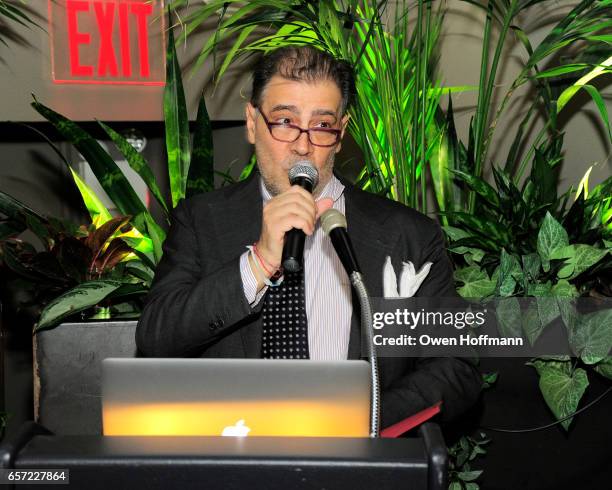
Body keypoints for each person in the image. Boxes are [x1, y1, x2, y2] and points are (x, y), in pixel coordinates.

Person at [136, 46, 481, 429]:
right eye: (284, 121)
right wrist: (258, 263)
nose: (302, 145)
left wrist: (362, 421)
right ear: (252, 123)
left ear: (340, 133)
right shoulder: (202, 221)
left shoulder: (408, 235)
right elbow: (156, 337)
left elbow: (456, 367)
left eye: (321, 125)